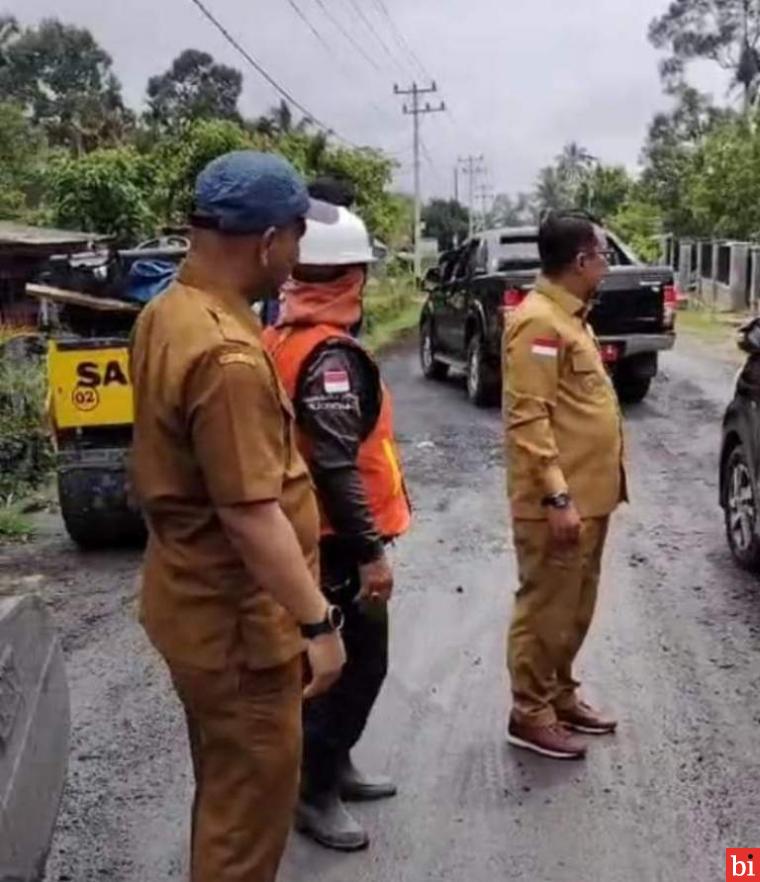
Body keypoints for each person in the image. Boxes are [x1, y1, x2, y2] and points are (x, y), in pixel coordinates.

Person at [129, 150, 347, 882]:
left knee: (224, 793)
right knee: (247, 820)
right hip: (240, 633)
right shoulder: (227, 357)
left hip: (189, 607)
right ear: (266, 242)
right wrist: (318, 625)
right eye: (296, 237)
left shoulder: (168, 312)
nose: (298, 256)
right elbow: (252, 516)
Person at [263, 206, 411, 851]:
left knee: (342, 669)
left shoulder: (281, 336)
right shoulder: (328, 355)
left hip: (309, 537)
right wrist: (370, 553)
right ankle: (313, 791)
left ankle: (335, 766)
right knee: (354, 668)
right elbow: (334, 463)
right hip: (334, 544)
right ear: (352, 278)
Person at [503, 210, 626, 761]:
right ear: (581, 262)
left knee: (574, 607)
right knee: (546, 607)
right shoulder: (538, 322)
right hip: (560, 501)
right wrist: (556, 494)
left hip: (589, 497)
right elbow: (529, 418)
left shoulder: (573, 317)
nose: (606, 262)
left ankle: (559, 693)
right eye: (603, 254)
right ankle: (530, 712)